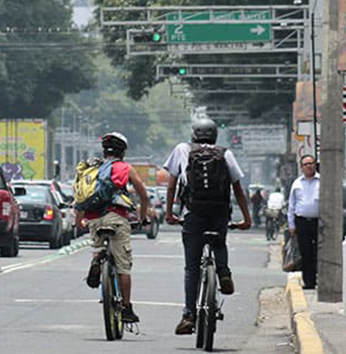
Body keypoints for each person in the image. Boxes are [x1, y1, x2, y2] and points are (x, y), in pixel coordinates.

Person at [164, 118, 252, 335]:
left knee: (191, 267)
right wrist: (246, 218)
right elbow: (238, 189)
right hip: (219, 213)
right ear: (215, 136)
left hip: (193, 214)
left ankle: (188, 315)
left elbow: (172, 185)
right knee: (219, 241)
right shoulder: (225, 153)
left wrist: (169, 213)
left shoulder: (182, 150)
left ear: (194, 135)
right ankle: (223, 272)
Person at [75, 132, 149, 324]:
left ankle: (97, 258)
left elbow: (81, 198)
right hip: (116, 218)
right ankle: (126, 307)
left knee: (98, 246)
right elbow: (143, 195)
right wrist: (142, 217)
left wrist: (80, 221)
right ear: (122, 152)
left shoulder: (92, 170)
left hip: (94, 219)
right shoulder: (125, 168)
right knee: (123, 266)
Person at [287, 154, 320, 289]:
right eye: (306, 164)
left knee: (318, 252)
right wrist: (291, 225)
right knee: (305, 252)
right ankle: (309, 281)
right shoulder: (297, 183)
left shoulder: (321, 181)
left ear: (315, 165)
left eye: (311, 163)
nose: (309, 166)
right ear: (301, 167)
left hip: (318, 222)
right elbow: (291, 205)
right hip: (301, 222)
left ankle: (320, 278)